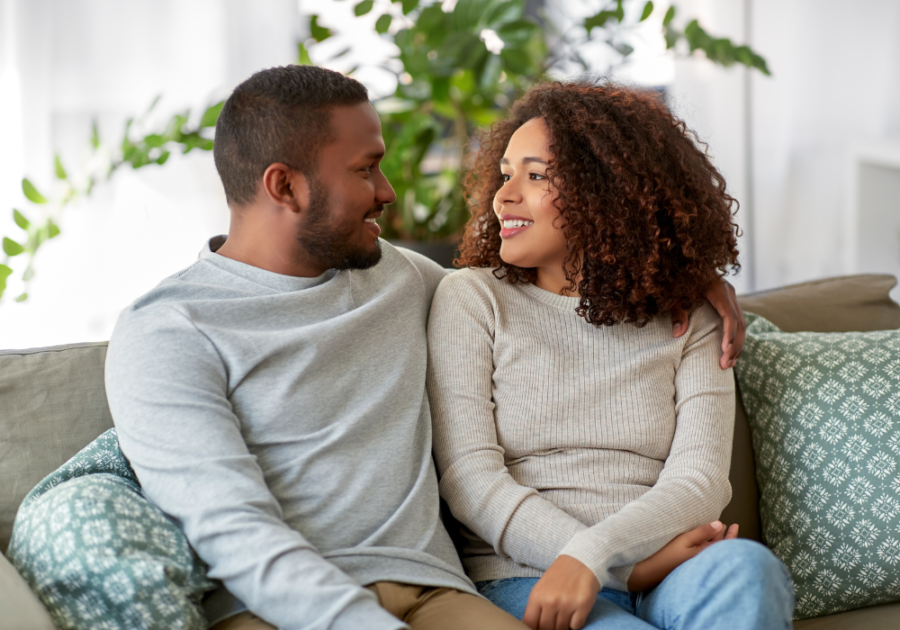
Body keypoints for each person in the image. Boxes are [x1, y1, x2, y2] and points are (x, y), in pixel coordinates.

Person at [105, 66, 748, 630]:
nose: (388, 192)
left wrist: (686, 277)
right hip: (274, 609)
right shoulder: (167, 331)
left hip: (437, 593)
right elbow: (235, 535)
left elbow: (547, 297)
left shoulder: (404, 279)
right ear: (285, 187)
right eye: (365, 170)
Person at [426, 81, 795, 630]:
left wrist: (598, 558)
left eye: (536, 176)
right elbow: (470, 480)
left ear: (609, 192)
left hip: (670, 569)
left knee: (746, 568)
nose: (504, 196)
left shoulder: (690, 315)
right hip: (525, 574)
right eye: (506, 174)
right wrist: (626, 571)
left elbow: (700, 482)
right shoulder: (471, 299)